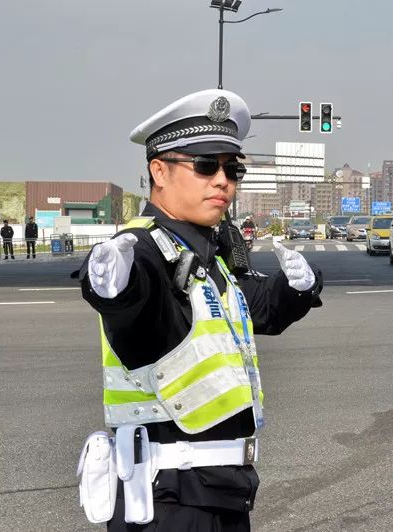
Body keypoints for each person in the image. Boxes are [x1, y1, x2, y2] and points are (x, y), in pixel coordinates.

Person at [75, 89, 323, 531]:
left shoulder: (210, 253)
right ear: (159, 171)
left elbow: (255, 311)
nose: (223, 180)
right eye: (206, 165)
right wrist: (111, 288)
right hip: (168, 501)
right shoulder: (144, 249)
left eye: (233, 168)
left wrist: (297, 289)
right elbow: (134, 304)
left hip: (220, 492)